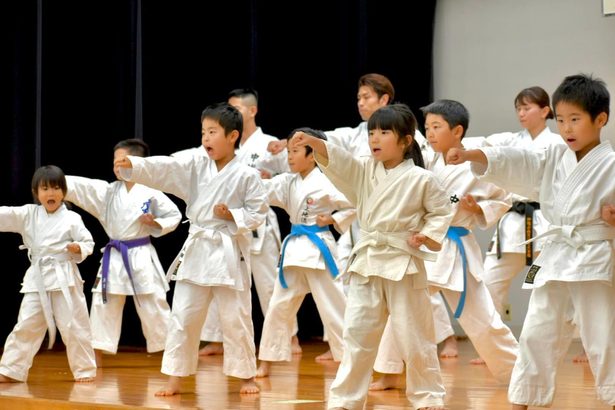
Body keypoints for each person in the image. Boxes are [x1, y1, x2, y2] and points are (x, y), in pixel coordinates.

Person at [446, 73, 615, 409]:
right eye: (562, 120)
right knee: (537, 330)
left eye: (575, 120)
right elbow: (519, 162)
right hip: (555, 254)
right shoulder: (553, 156)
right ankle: (525, 397)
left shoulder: (611, 165)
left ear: (601, 119)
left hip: (594, 255)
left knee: (602, 335)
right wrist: (476, 156)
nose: (567, 128)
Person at [291, 104, 454, 410]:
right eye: (372, 132)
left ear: (406, 140)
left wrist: (428, 235)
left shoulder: (421, 178)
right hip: (368, 261)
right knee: (356, 336)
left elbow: (442, 210)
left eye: (384, 132)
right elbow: (342, 164)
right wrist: (315, 142)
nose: (374, 139)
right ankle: (345, 399)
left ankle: (428, 396)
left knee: (415, 337)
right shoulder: (365, 170)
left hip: (403, 262)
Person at [116, 102, 268, 396]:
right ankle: (175, 377)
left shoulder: (248, 175)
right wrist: (135, 166)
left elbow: (258, 212)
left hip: (228, 251)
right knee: (183, 316)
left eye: (213, 132)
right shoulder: (196, 167)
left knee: (236, 318)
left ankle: (246, 375)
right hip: (198, 250)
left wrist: (233, 216)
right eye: (203, 132)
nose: (206, 138)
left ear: (233, 135)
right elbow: (166, 168)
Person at [370, 100, 519, 391]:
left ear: (458, 131)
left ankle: (519, 373)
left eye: (437, 127)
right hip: (425, 248)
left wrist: (479, 210)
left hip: (456, 248)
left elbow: (506, 197)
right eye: (427, 128)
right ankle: (388, 371)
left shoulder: (477, 165)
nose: (431, 134)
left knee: (482, 319)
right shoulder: (425, 160)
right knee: (402, 310)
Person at [197, 88, 297, 357]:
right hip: (224, 222)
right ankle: (216, 339)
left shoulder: (269, 144)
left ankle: (289, 337)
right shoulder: (224, 145)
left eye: (237, 109)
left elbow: (293, 174)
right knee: (220, 278)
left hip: (258, 221)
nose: (232, 115)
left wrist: (268, 178)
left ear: (252, 111)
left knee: (269, 283)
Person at [65, 138, 182, 366]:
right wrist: (56, 180)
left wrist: (155, 222)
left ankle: (173, 355)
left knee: (154, 303)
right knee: (102, 303)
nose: (117, 166)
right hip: (114, 255)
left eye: (122, 161)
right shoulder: (107, 191)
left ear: (138, 163)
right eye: (114, 162)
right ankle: (95, 355)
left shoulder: (150, 192)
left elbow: (174, 216)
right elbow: (81, 187)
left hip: (141, 253)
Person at [256, 127, 355, 378]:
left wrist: (332, 219)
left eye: (296, 151)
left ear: (312, 155)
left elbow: (355, 203)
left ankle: (349, 361)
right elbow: (261, 190)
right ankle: (267, 360)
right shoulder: (287, 181)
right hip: (294, 251)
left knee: (333, 307)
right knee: (278, 307)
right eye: (288, 151)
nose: (289, 157)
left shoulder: (326, 181)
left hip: (319, 249)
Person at [474, 86, 563, 324]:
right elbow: (482, 147)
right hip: (513, 222)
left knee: (552, 284)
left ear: (545, 110)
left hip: (546, 222)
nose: (521, 113)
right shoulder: (509, 140)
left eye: (527, 108)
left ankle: (579, 342)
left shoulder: (558, 143)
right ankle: (497, 341)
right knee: (490, 281)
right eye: (518, 109)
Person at [0, 165, 97, 383]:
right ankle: (11, 369)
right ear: (36, 192)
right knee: (26, 324)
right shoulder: (28, 214)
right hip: (38, 278)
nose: (50, 193)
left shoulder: (72, 218)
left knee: (74, 325)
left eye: (55, 188)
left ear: (63, 191)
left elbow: (88, 242)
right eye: (44, 189)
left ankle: (85, 370)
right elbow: (4, 214)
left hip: (64, 276)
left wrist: (78, 248)